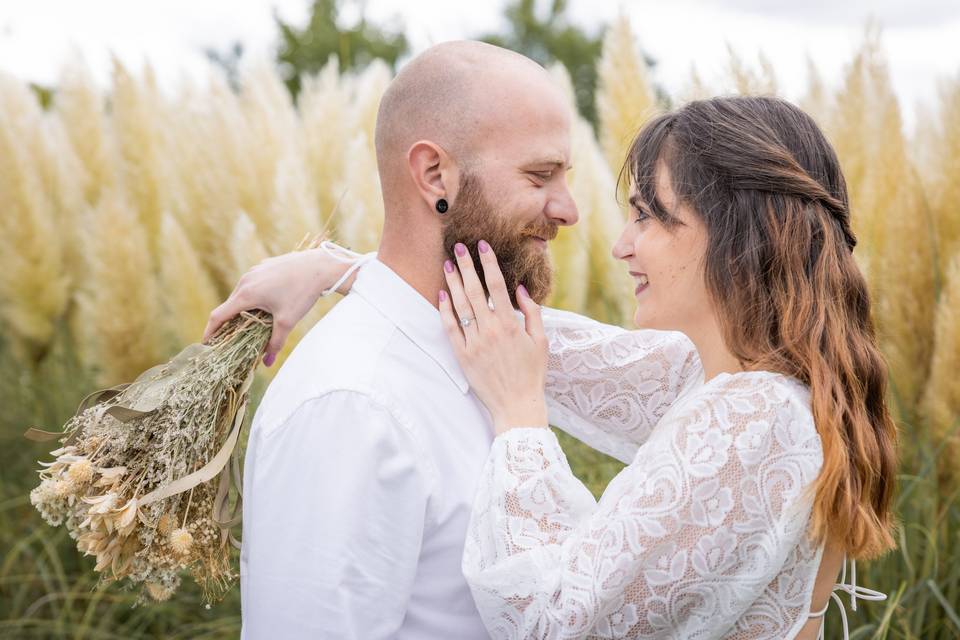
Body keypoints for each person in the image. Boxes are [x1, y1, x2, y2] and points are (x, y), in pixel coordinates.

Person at [206, 69, 897, 640]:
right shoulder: (746, 381)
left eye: (649, 215)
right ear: (433, 174)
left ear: (736, 235)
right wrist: (338, 266)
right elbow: (534, 341)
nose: (611, 238)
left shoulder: (753, 415)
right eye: (542, 175)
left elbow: (553, 621)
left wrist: (520, 418)